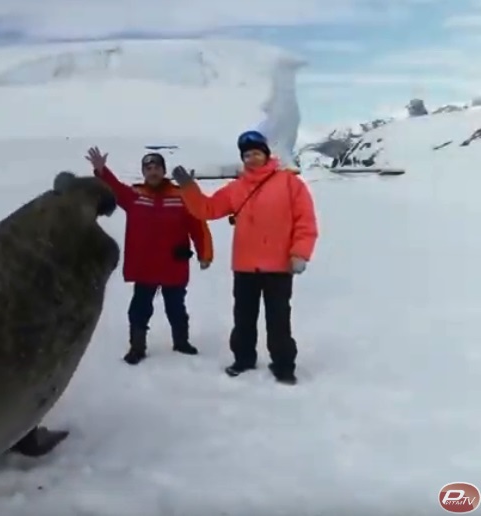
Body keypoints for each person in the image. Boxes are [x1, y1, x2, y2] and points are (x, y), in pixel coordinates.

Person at [170, 130, 318, 385]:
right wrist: (188, 188)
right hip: (245, 266)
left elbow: (305, 222)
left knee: (278, 320)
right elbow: (207, 209)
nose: (252, 159)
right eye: (247, 155)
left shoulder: (290, 183)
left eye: (256, 153)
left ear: (266, 155)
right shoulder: (236, 188)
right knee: (243, 319)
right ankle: (243, 359)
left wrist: (300, 253)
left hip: (279, 266)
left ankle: (283, 366)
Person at [85, 146, 214, 365]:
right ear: (144, 172)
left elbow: (198, 226)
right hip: (145, 266)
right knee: (139, 308)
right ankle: (137, 347)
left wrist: (205, 254)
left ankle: (181, 342)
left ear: (163, 171)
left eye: (157, 168)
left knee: (176, 307)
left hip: (173, 264)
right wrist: (101, 170)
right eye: (148, 168)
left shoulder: (181, 196)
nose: (153, 172)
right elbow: (114, 187)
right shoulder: (134, 196)